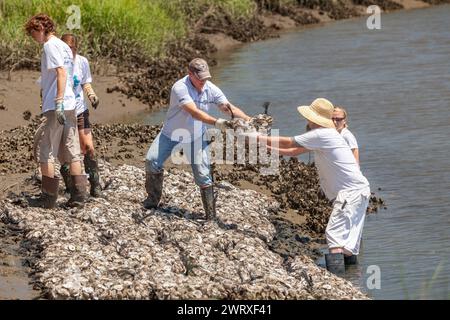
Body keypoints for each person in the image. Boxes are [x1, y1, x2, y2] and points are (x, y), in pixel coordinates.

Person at [248, 98, 370, 273]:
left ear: (314, 119)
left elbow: (289, 142)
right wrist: (264, 146)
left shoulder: (322, 134)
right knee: (348, 246)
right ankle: (352, 282)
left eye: (309, 118)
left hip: (350, 193)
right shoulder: (328, 134)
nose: (307, 121)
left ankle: (338, 282)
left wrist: (257, 138)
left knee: (334, 237)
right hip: (359, 192)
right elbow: (294, 151)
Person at [144, 58, 251, 219]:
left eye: (206, 78)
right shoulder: (180, 88)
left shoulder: (210, 88)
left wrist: (248, 120)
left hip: (196, 137)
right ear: (190, 74)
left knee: (203, 175)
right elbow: (194, 112)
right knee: (152, 161)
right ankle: (152, 200)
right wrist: (217, 122)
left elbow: (227, 108)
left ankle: (211, 216)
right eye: (200, 78)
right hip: (171, 133)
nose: (203, 82)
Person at [25, 13, 86, 208]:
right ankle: (79, 196)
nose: (33, 37)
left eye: (33, 32)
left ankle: (48, 198)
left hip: (58, 104)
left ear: (41, 28)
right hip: (71, 104)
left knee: (46, 150)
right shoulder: (63, 45)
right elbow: (63, 72)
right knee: (71, 149)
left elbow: (60, 72)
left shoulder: (50, 45)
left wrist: (57, 102)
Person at [60, 34, 101, 197]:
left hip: (79, 109)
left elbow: (85, 82)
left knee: (88, 147)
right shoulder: (57, 63)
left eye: (72, 48)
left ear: (76, 48)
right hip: (63, 111)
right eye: (66, 48)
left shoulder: (82, 62)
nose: (69, 52)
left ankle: (95, 183)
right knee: (66, 152)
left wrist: (91, 95)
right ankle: (72, 186)